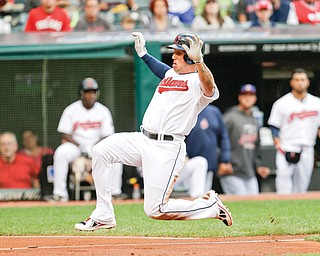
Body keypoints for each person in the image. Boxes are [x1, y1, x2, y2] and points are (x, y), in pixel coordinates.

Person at [74, 32, 233, 231]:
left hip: (167, 147)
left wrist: (200, 62)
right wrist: (143, 53)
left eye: (178, 53)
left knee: (156, 209)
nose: (173, 56)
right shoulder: (171, 74)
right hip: (143, 139)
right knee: (101, 151)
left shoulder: (198, 83)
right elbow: (162, 70)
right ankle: (104, 215)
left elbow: (210, 86)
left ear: (191, 57)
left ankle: (209, 206)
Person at [50, 77, 121, 202]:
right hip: (76, 145)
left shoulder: (103, 111)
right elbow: (65, 133)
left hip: (98, 145)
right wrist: (80, 146)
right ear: (81, 93)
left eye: (93, 92)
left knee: (116, 155)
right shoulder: (71, 110)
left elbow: (107, 135)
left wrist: (95, 147)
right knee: (60, 153)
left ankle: (115, 192)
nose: (90, 95)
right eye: (87, 92)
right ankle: (60, 193)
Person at [267, 68, 320, 194]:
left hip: (307, 147)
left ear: (308, 82)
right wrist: (277, 142)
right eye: (296, 80)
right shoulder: (282, 103)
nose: (299, 83)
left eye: (302, 80)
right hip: (287, 147)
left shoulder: (317, 103)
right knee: (283, 185)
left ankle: (297, 213)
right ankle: (281, 212)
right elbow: (274, 126)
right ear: (291, 82)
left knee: (302, 186)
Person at [221, 84, 270, 195]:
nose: (248, 98)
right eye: (245, 95)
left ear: (255, 98)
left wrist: (258, 166)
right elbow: (219, 140)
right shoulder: (230, 117)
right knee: (241, 204)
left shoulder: (254, 119)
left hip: (249, 173)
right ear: (240, 97)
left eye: (251, 95)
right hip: (232, 171)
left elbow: (256, 146)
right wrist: (222, 161)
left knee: (255, 205)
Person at [185, 104, 232, 193]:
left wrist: (225, 160)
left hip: (210, 163)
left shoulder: (214, 111)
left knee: (203, 196)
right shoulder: (186, 110)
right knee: (190, 197)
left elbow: (223, 136)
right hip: (189, 164)